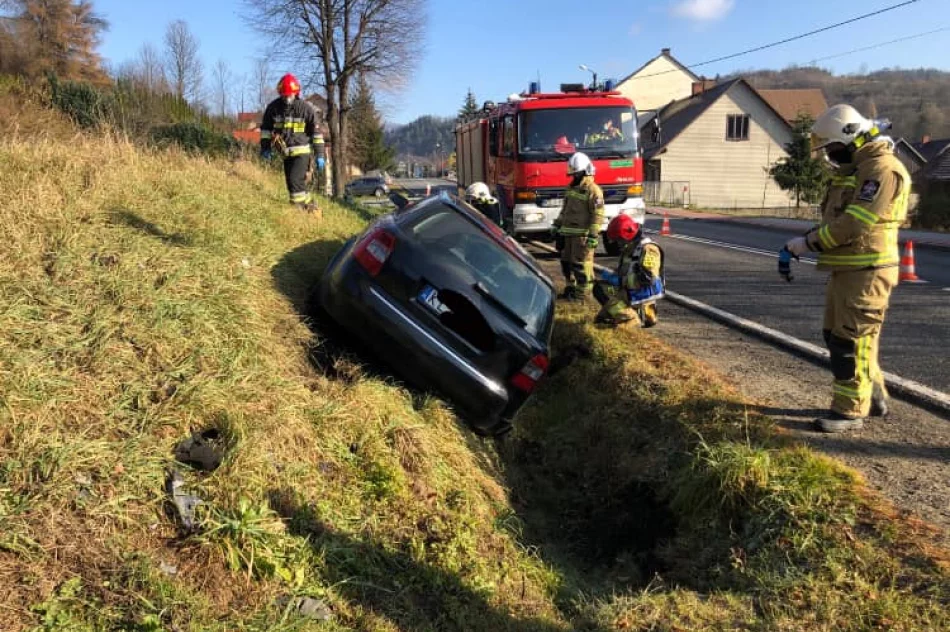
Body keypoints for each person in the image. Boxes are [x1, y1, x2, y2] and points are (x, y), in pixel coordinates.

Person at [784, 104, 910, 433]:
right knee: (837, 335)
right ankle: (874, 396)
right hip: (847, 268)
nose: (832, 156)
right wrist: (811, 240)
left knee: (852, 341)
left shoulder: (882, 170)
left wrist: (807, 243)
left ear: (851, 139)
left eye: (834, 149)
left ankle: (850, 411)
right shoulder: (858, 170)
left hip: (868, 270)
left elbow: (855, 223)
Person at [260, 73, 320, 213]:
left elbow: (316, 134)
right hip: (285, 153)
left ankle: (297, 211)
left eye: (290, 95)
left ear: (296, 93)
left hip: (302, 152)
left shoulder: (305, 109)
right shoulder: (273, 108)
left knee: (294, 181)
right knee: (292, 183)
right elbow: (266, 130)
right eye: (284, 95)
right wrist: (265, 148)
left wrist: (320, 154)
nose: (287, 99)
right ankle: (310, 206)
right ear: (280, 93)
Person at [593, 214, 664, 327]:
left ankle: (630, 318)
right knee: (602, 317)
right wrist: (612, 276)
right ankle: (632, 314)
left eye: (619, 240)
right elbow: (626, 270)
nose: (618, 244)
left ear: (627, 235)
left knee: (600, 290)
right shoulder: (631, 248)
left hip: (641, 293)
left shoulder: (648, 249)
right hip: (631, 290)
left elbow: (647, 279)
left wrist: (620, 281)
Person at [551, 152, 604, 301]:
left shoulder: (593, 190)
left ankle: (582, 297)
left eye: (577, 174)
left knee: (582, 266)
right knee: (566, 263)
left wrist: (593, 235)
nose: (574, 177)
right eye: (573, 174)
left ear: (585, 172)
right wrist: (556, 226)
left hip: (582, 237)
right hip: (568, 235)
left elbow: (597, 214)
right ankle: (571, 289)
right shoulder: (571, 188)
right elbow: (565, 210)